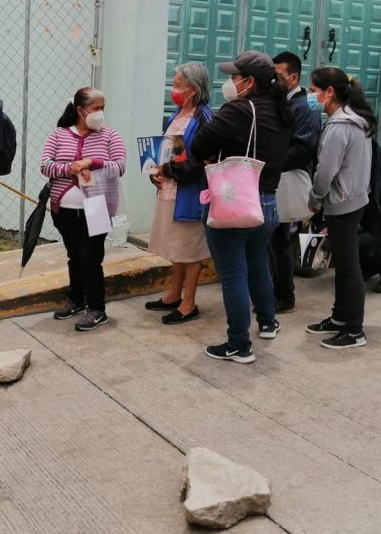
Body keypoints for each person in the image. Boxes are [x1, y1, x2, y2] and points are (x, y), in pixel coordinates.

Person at [190, 51, 291, 364]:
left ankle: (239, 344)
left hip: (234, 201)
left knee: (233, 275)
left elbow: (198, 147)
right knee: (258, 262)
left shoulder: (239, 109)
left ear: (249, 82)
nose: (229, 82)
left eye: (234, 77)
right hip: (267, 202)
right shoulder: (280, 109)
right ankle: (268, 321)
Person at [41, 88, 127, 331]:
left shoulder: (109, 135)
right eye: (96, 108)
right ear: (80, 110)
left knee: (90, 258)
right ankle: (76, 299)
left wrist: (92, 162)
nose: (100, 113)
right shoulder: (59, 135)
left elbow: (119, 166)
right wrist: (69, 168)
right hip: (64, 209)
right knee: (74, 256)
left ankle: (97, 308)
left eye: (102, 108)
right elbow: (45, 165)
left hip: (98, 207)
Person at [305, 66, 374, 349]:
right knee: (344, 266)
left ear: (329, 92)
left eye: (313, 91)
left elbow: (325, 172)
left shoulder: (339, 127)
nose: (310, 96)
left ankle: (354, 330)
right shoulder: (356, 121)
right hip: (353, 199)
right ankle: (339, 317)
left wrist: (315, 198)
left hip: (343, 203)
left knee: (348, 268)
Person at [144, 63, 213, 324]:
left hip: (190, 192)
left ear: (193, 89)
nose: (173, 89)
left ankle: (188, 303)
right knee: (177, 247)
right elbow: (168, 150)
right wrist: (155, 171)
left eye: (177, 85)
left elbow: (199, 161)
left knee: (190, 249)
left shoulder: (204, 118)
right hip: (170, 189)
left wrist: (168, 169)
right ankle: (174, 293)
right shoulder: (177, 113)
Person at [270, 51, 322, 312]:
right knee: (273, 240)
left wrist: (270, 162)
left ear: (293, 78)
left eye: (278, 76)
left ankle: (284, 295)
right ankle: (274, 290)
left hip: (289, 179)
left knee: (280, 241)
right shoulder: (281, 101)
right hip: (277, 178)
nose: (274, 81)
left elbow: (303, 148)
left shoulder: (304, 107)